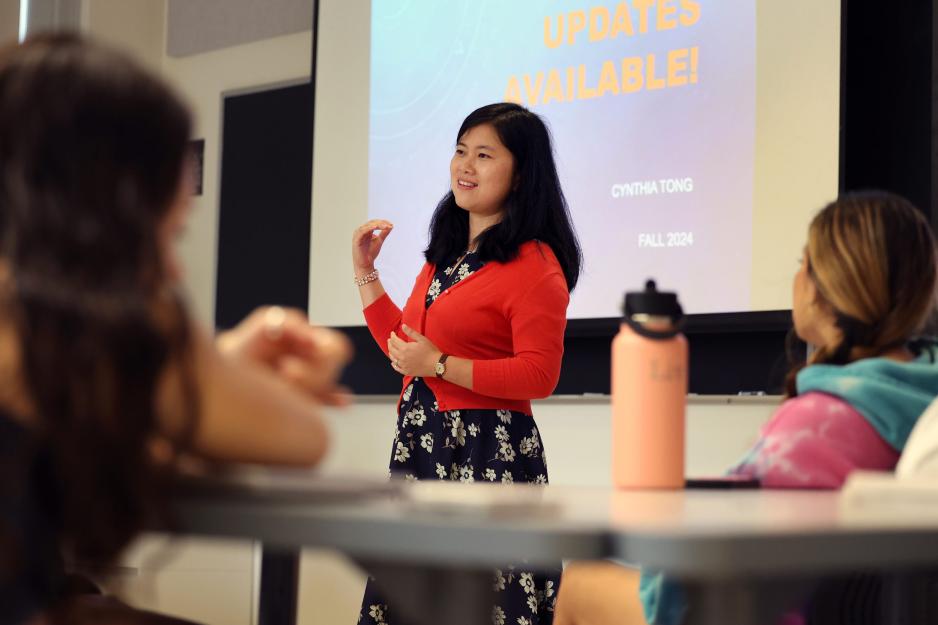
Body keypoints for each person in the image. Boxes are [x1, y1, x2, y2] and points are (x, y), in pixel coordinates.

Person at [0, 34, 350, 625]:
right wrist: (212, 363)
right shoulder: (89, 326)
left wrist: (215, 363)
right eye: (167, 235)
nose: (172, 268)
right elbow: (302, 439)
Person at [554, 191, 938, 625]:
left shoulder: (820, 425)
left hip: (764, 610)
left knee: (581, 582)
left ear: (826, 286)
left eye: (802, 263)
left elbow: (720, 558)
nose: (796, 277)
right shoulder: (925, 399)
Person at [352, 102, 582, 625]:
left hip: (487, 455)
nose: (465, 166)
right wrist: (366, 272)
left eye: (483, 155)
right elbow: (404, 348)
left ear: (521, 174)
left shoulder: (536, 264)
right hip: (421, 447)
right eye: (460, 151)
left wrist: (440, 366)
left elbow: (539, 374)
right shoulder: (445, 257)